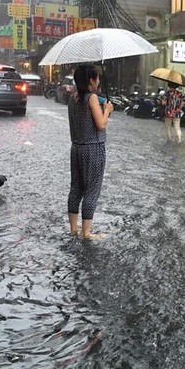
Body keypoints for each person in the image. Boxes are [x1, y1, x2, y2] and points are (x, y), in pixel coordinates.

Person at [67, 64, 114, 239]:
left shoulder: (74, 97)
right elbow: (100, 124)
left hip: (76, 148)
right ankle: (86, 232)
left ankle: (73, 229)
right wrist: (107, 111)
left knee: (76, 188)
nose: (99, 81)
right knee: (92, 190)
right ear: (91, 80)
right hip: (93, 149)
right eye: (97, 78)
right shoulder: (92, 98)